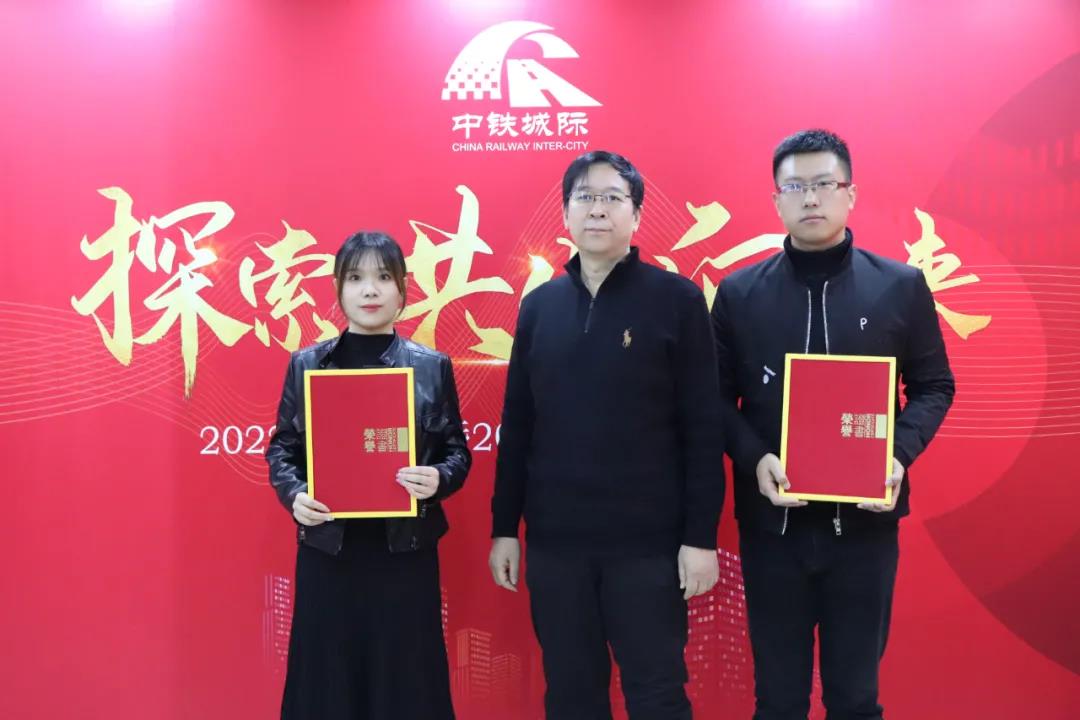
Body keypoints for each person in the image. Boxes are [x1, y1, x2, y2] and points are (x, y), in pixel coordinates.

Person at [711, 129, 955, 719]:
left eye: (824, 184)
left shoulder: (899, 286)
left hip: (865, 533)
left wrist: (895, 456)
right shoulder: (739, 293)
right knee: (778, 700)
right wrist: (755, 459)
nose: (811, 199)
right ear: (777, 201)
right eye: (795, 187)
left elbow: (934, 386)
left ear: (851, 194)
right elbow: (711, 400)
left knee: (856, 699)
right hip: (773, 530)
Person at [488, 150, 726, 720]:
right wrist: (504, 528)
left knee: (657, 694)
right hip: (556, 544)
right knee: (571, 694)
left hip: (648, 546)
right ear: (565, 214)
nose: (598, 210)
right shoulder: (539, 307)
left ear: (637, 215)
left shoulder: (677, 300)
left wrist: (700, 538)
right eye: (585, 198)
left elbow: (703, 426)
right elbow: (518, 425)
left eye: (613, 198)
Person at [266, 231, 471, 720]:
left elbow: (457, 453)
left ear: (402, 289)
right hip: (329, 550)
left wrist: (438, 478)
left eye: (383, 277)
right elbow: (282, 449)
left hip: (404, 553)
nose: (370, 290)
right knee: (327, 683)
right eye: (356, 278)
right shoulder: (307, 364)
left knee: (406, 682)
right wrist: (295, 494)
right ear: (338, 289)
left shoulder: (432, 366)